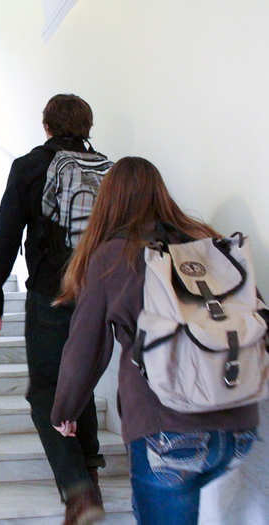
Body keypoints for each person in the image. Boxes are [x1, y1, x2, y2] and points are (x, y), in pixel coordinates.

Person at [51, 157, 259, 525]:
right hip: (237, 426)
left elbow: (86, 348)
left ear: (108, 201)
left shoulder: (113, 256)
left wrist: (65, 409)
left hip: (167, 428)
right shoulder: (206, 243)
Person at [0, 94, 106, 523]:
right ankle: (90, 474)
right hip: (100, 295)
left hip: (51, 293)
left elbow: (5, 234)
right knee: (82, 380)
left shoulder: (31, 166)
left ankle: (78, 492)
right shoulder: (107, 168)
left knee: (45, 391)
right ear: (87, 126)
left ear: (46, 126)